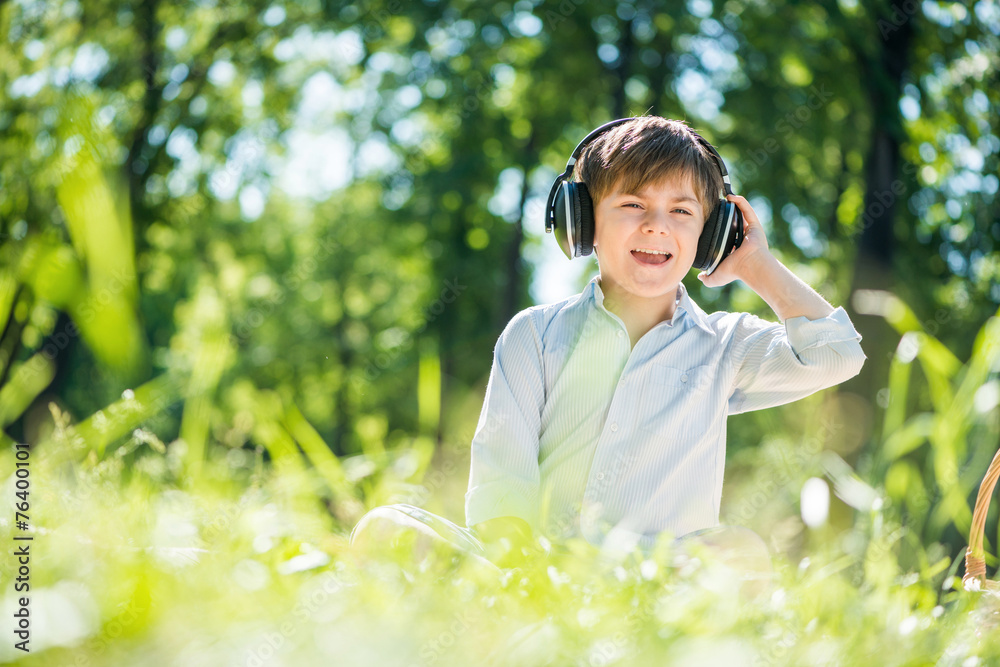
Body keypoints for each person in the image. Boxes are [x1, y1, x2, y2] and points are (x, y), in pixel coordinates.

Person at [350, 116, 865, 598]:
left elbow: (837, 355)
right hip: (535, 566)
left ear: (710, 235)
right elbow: (502, 483)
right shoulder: (535, 334)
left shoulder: (725, 346)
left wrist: (756, 264)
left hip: (655, 576)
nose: (657, 225)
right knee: (385, 528)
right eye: (633, 205)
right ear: (582, 220)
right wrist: (525, 571)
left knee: (743, 553)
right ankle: (518, 611)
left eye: (683, 212)